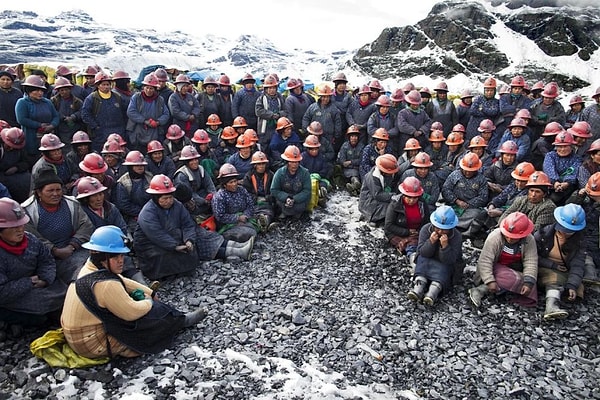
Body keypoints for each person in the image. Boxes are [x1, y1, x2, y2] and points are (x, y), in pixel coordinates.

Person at [61, 225, 208, 359]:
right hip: (92, 343)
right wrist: (148, 301)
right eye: (116, 256)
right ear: (102, 257)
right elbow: (132, 313)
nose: (121, 260)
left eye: (121, 256)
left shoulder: (90, 268)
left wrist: (149, 292)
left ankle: (178, 318)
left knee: (146, 303)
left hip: (78, 337)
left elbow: (122, 280)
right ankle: (179, 321)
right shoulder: (105, 284)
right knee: (153, 313)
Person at [134, 175, 253, 280]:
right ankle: (237, 251)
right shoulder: (147, 213)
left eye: (170, 197)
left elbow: (187, 224)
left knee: (199, 238)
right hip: (152, 246)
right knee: (184, 253)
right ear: (155, 198)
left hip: (173, 236)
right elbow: (157, 235)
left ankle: (237, 247)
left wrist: (189, 239)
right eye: (164, 198)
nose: (169, 201)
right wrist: (175, 246)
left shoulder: (177, 205)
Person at [0, 198, 68, 329]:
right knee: (39, 316)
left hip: (36, 284)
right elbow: (2, 292)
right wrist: (29, 282)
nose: (20, 230)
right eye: (13, 227)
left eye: (21, 225)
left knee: (66, 293)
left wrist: (45, 278)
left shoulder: (31, 239)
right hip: (12, 294)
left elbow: (47, 260)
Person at [22, 170, 94, 283]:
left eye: (58, 190)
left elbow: (86, 225)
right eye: (50, 190)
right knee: (79, 273)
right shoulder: (27, 210)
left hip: (75, 248)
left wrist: (72, 245)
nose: (55, 194)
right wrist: (54, 250)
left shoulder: (72, 203)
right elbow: (32, 238)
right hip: (46, 257)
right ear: (39, 192)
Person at [469, 212, 538, 309]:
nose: (510, 239)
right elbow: (485, 261)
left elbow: (531, 261)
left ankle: (502, 290)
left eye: (514, 237)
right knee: (510, 278)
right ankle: (482, 289)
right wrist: (489, 281)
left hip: (514, 269)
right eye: (508, 236)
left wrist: (528, 282)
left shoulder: (529, 240)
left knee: (531, 284)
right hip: (495, 268)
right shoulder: (495, 237)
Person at [535, 204, 587, 320]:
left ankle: (560, 294)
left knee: (577, 289)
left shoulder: (580, 241)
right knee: (554, 278)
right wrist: (552, 265)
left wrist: (572, 285)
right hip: (544, 266)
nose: (567, 233)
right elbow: (532, 257)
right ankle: (551, 306)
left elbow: (578, 264)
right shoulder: (543, 234)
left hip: (564, 269)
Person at [408, 205, 463, 305]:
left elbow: (450, 260)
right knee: (422, 265)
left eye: (444, 229)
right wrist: (430, 242)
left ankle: (432, 294)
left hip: (445, 263)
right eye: (438, 228)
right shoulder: (426, 229)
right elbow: (422, 252)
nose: (440, 231)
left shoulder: (456, 236)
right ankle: (418, 289)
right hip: (427, 258)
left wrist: (445, 247)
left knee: (441, 275)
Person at [441, 153, 488, 237]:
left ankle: (460, 228)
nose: (468, 172)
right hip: (454, 205)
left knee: (478, 215)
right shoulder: (455, 175)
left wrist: (469, 204)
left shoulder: (481, 179)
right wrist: (456, 200)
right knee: (444, 213)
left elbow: (483, 197)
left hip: (470, 208)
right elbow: (445, 190)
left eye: (471, 171)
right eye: (466, 170)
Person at [15, 75, 60, 162]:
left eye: (42, 90)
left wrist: (52, 125)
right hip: (31, 138)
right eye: (36, 90)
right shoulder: (22, 102)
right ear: (28, 90)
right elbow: (21, 119)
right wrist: (39, 125)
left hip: (49, 136)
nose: (40, 93)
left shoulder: (47, 102)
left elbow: (56, 116)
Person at [384, 176, 430, 262]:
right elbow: (389, 226)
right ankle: (412, 256)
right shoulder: (395, 204)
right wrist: (407, 232)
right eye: (409, 197)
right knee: (411, 245)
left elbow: (426, 222)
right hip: (398, 232)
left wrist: (420, 231)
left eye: (414, 198)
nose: (412, 200)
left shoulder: (422, 204)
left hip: (416, 233)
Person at [81, 71, 128, 152]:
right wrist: (95, 126)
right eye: (103, 84)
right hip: (100, 136)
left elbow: (125, 114)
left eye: (108, 84)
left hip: (118, 133)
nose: (106, 87)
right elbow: (85, 114)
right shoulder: (91, 98)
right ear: (97, 85)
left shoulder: (118, 97)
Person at [212, 163, 258, 242]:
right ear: (224, 184)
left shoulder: (241, 190)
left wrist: (245, 215)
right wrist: (237, 218)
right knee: (249, 233)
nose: (234, 184)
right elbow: (220, 216)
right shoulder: (219, 197)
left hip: (244, 218)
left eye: (235, 181)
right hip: (228, 225)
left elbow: (250, 205)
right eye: (231, 182)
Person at [126, 73, 171, 153]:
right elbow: (131, 112)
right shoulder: (136, 97)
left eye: (151, 88)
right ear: (143, 87)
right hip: (138, 132)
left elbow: (166, 114)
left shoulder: (160, 100)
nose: (149, 90)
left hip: (154, 132)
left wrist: (158, 122)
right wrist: (144, 121)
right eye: (147, 88)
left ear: (155, 89)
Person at [569, 172, 600, 283]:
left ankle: (590, 268)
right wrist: (578, 197)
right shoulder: (586, 198)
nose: (592, 196)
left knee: (587, 250)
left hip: (594, 236)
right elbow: (569, 209)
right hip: (579, 230)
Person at [114, 151, 153, 234]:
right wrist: (142, 212)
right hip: (132, 217)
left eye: (142, 165)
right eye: (137, 165)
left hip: (152, 211)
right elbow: (124, 205)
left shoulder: (150, 177)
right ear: (130, 166)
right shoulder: (123, 182)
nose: (140, 167)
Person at [270, 145, 312, 221]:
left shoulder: (305, 173)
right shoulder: (279, 173)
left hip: (299, 201)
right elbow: (274, 190)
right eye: (292, 162)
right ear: (287, 162)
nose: (294, 165)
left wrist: (294, 199)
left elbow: (307, 191)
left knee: (300, 206)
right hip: (283, 201)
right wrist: (286, 198)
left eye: (296, 162)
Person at [173, 145, 216, 217]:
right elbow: (188, 194)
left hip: (200, 194)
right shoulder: (181, 175)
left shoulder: (201, 169)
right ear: (186, 162)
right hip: (189, 199)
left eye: (196, 159)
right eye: (191, 160)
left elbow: (209, 185)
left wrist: (213, 196)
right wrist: (204, 201)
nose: (195, 162)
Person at [358, 154, 399, 227]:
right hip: (369, 201)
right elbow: (377, 195)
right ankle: (372, 218)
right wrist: (393, 196)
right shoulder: (372, 177)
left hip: (381, 196)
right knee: (390, 207)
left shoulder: (386, 175)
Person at [543, 131, 581, 206]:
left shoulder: (577, 158)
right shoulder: (550, 155)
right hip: (550, 185)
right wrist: (555, 182)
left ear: (571, 146)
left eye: (565, 146)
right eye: (560, 146)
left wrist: (567, 183)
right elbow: (549, 169)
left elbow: (574, 171)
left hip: (568, 186)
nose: (562, 149)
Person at [242, 151, 276, 232]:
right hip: (254, 203)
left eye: (263, 164)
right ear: (255, 165)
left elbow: (275, 190)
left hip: (267, 202)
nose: (261, 166)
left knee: (269, 212)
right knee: (254, 213)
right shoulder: (248, 176)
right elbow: (246, 193)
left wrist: (267, 198)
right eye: (259, 164)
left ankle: (265, 221)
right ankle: (261, 224)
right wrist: (256, 198)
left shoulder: (271, 175)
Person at [302, 85, 342, 152]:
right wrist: (306, 131)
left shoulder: (334, 109)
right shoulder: (313, 107)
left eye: (327, 97)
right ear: (320, 97)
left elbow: (338, 123)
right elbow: (306, 118)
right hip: (314, 135)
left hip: (328, 137)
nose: (325, 99)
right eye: (323, 97)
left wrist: (336, 136)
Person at [0, 127, 31, 203]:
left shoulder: (21, 149)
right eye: (8, 146)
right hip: (2, 176)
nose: (11, 148)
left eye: (13, 147)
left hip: (17, 173)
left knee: (29, 180)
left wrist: (17, 168)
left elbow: (27, 162)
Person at [50, 77, 84, 146]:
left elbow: (82, 111)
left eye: (66, 89)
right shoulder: (53, 101)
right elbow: (51, 112)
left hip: (74, 129)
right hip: (59, 129)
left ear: (70, 89)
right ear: (58, 91)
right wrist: (61, 117)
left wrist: (74, 117)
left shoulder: (77, 101)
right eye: (62, 90)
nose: (64, 92)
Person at [466, 77, 501, 142]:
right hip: (473, 129)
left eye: (491, 90)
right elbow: (472, 111)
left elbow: (494, 112)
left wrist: (482, 109)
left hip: (487, 132)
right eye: (487, 90)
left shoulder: (496, 102)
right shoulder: (478, 99)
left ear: (494, 91)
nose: (489, 93)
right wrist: (487, 114)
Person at [301, 134, 332, 203]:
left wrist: (318, 175)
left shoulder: (321, 157)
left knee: (323, 184)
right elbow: (301, 170)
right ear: (307, 148)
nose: (314, 151)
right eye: (312, 149)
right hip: (306, 180)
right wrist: (309, 176)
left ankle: (321, 195)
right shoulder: (303, 157)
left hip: (319, 179)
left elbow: (325, 169)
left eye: (316, 149)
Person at [337, 125, 365, 196]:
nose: (354, 138)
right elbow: (342, 160)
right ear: (349, 137)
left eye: (355, 136)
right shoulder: (345, 146)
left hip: (358, 169)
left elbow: (362, 160)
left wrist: (351, 162)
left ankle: (354, 187)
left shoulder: (361, 146)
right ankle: (355, 184)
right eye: (352, 136)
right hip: (347, 170)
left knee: (358, 174)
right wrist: (348, 163)